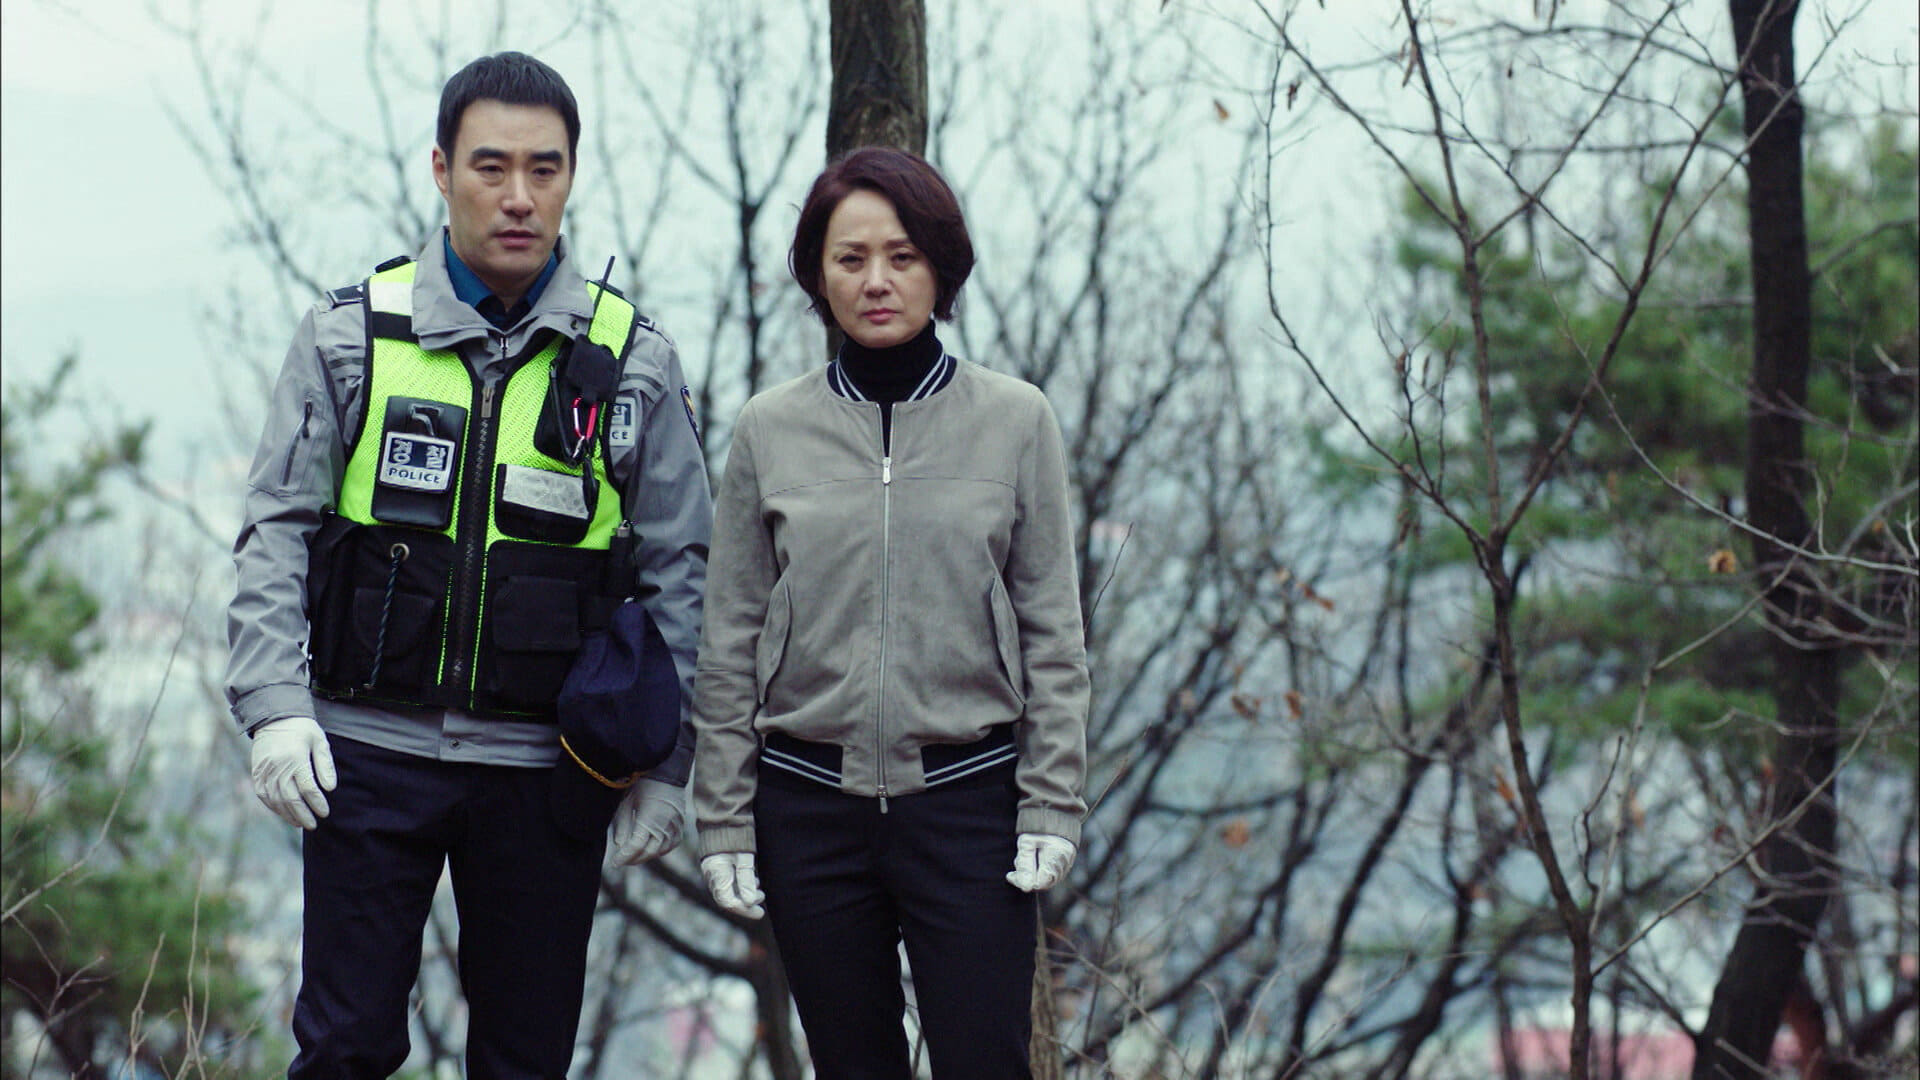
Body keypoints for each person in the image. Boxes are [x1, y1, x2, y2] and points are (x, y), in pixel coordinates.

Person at [224, 51, 711, 1080]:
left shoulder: (633, 361)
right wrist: (273, 706)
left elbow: (685, 570)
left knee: (526, 1060)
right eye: (492, 166)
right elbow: (276, 524)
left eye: (545, 168)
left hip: (548, 773)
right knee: (344, 1048)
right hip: (362, 756)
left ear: (572, 175)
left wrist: (668, 762)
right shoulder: (353, 335)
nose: (519, 196)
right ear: (442, 170)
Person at [692, 146, 1090, 1078]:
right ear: (817, 276)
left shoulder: (1015, 421)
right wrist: (726, 818)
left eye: (902, 256)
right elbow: (730, 639)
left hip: (971, 805)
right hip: (807, 811)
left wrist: (1052, 801)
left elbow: (1053, 633)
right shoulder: (769, 429)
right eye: (851, 258)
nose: (877, 281)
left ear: (941, 267)